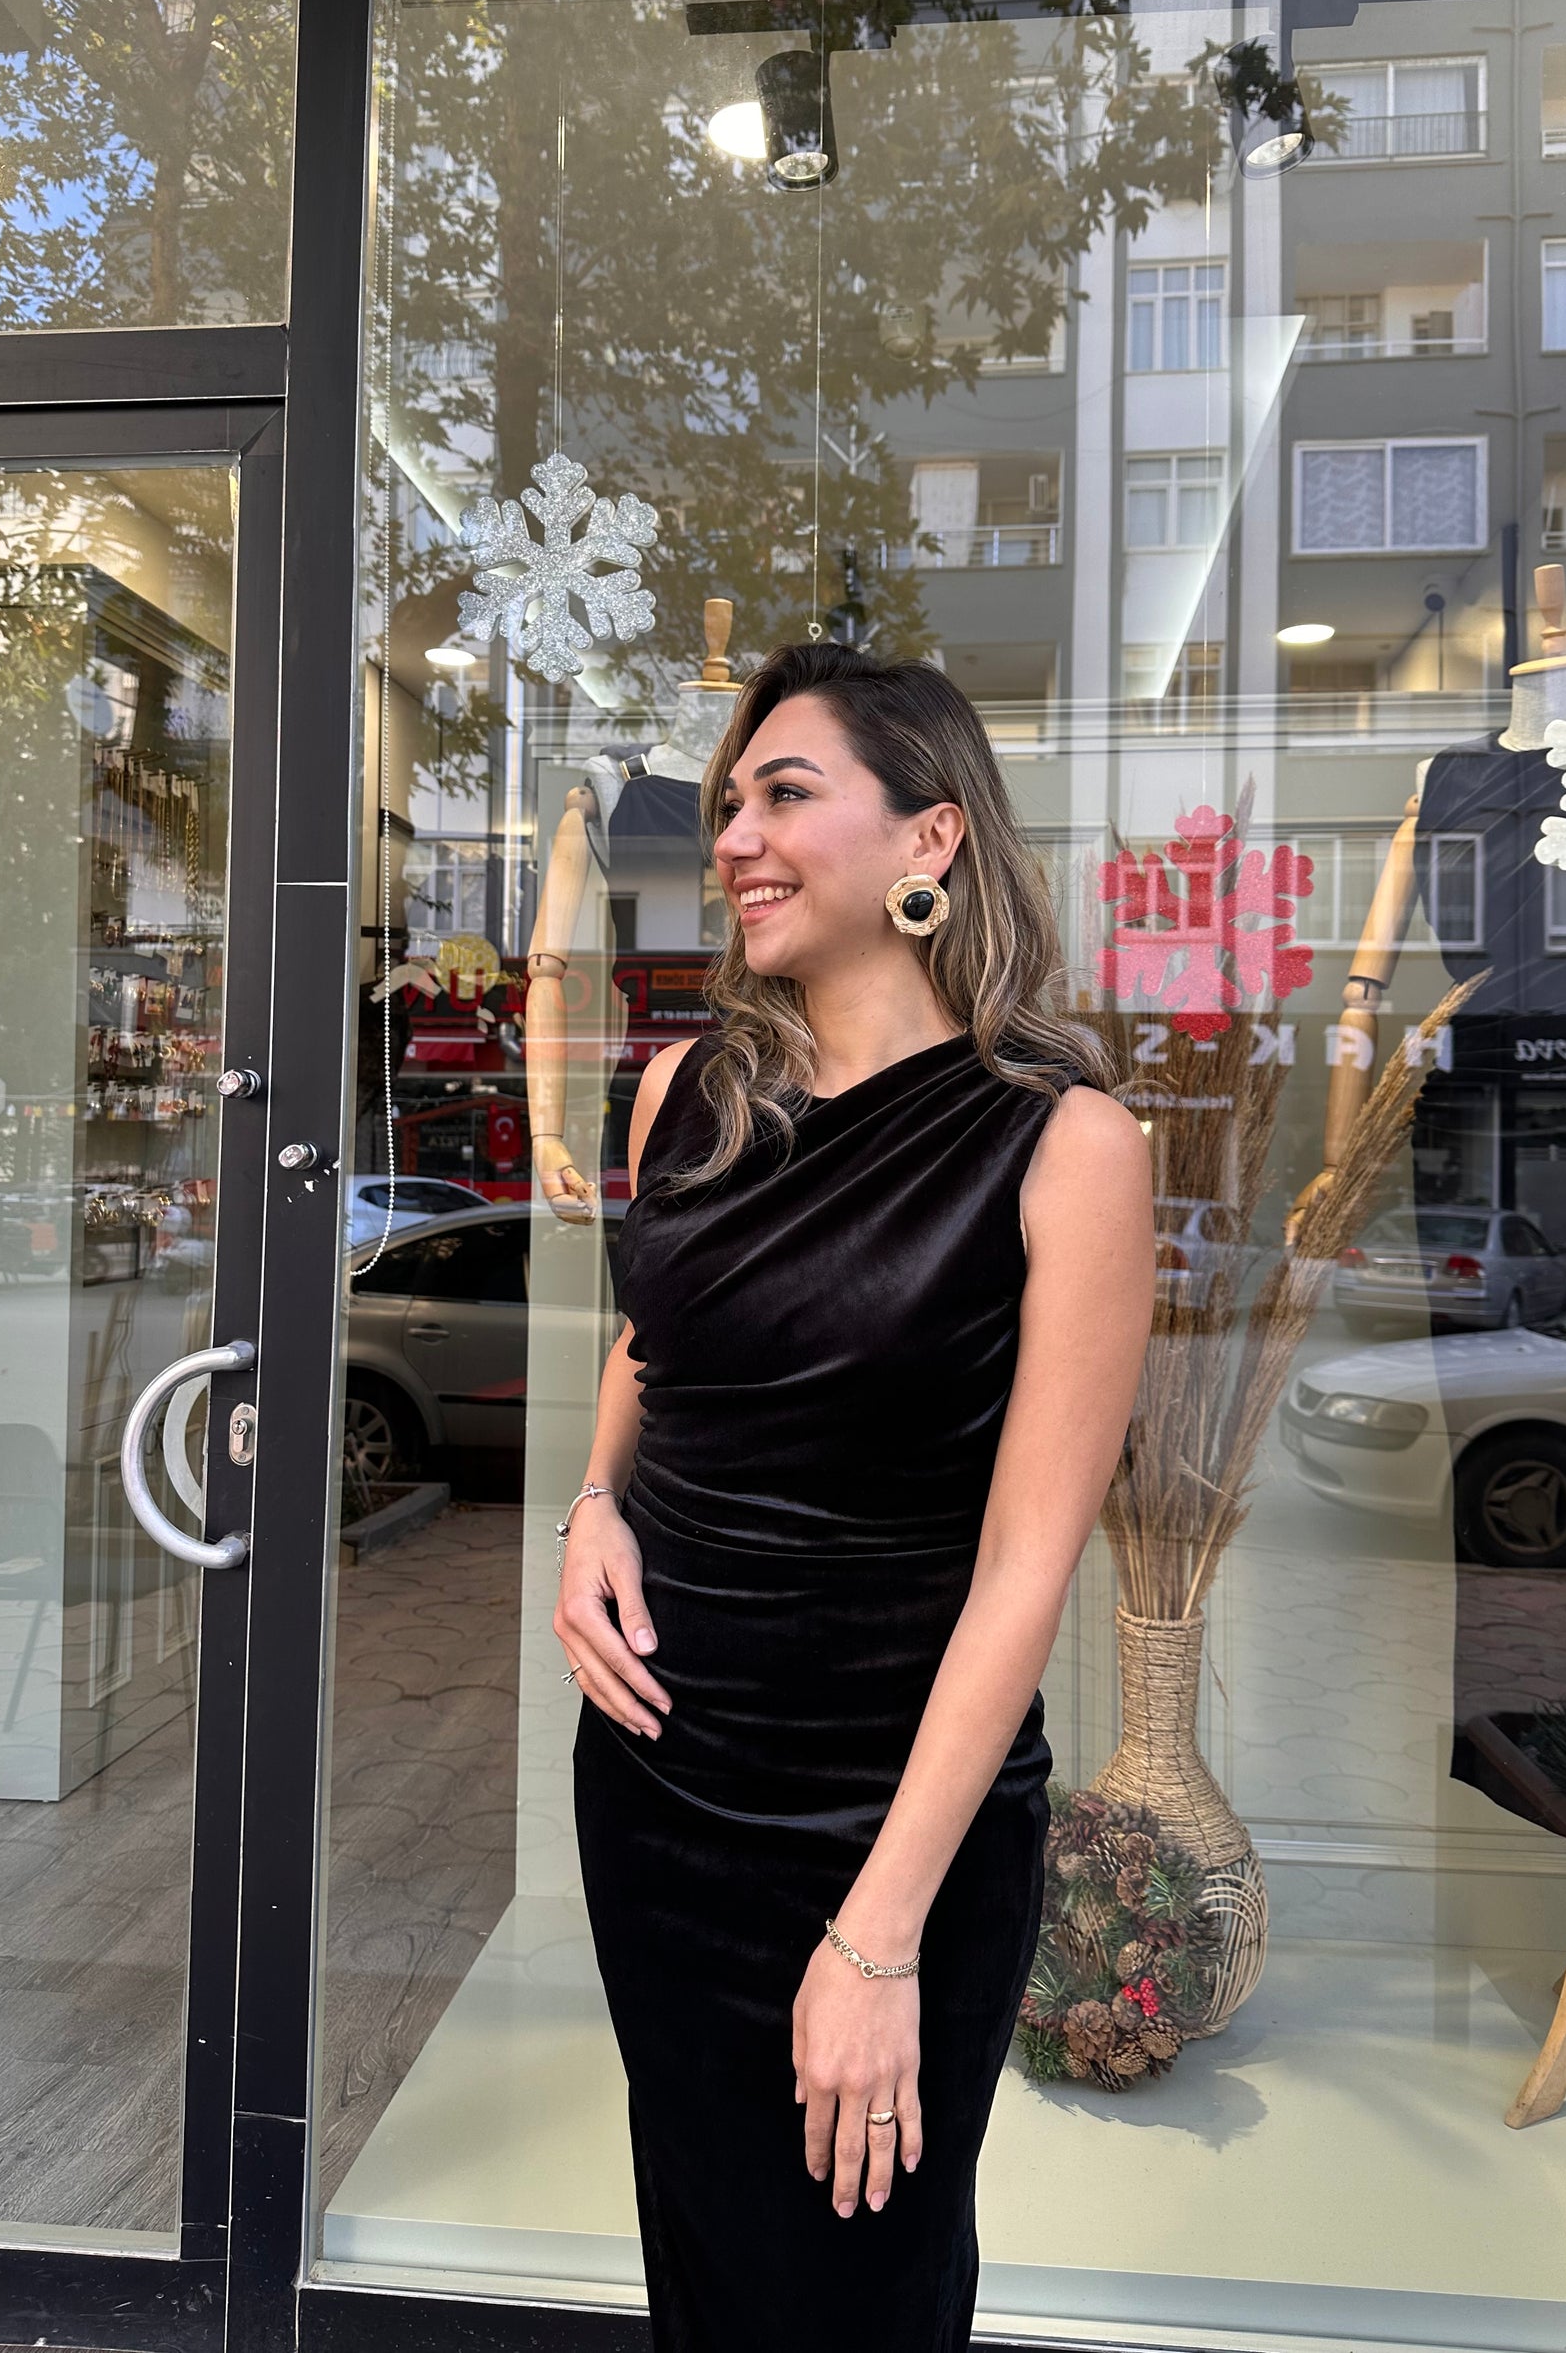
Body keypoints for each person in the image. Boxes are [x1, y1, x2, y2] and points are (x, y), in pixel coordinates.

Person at [554, 640, 1153, 2350]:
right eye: (730, 803)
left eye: (785, 794)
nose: (735, 836)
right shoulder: (685, 1094)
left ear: (929, 837)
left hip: (894, 1825)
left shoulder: (1063, 1144)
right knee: (706, 2266)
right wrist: (592, 1505)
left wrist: (878, 1938)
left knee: (859, 2290)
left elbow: (1026, 1569)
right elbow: (654, 1338)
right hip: (658, 1789)